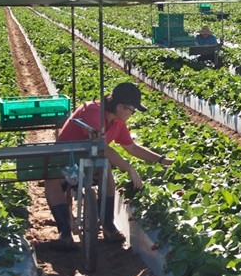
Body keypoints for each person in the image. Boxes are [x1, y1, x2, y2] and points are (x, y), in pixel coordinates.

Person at [45, 82, 171, 248]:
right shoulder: (93, 111)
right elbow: (101, 147)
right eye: (132, 110)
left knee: (105, 169)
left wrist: (161, 160)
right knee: (52, 182)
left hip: (88, 161)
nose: (132, 114)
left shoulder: (117, 122)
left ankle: (108, 226)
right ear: (120, 106)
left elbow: (131, 147)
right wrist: (129, 169)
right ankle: (65, 234)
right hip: (64, 159)